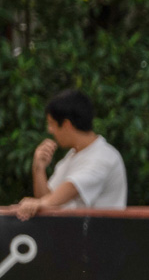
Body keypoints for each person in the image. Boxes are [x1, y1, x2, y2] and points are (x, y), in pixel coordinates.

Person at [15, 89, 127, 218]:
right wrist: (38, 169)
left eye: (51, 124)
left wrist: (37, 203)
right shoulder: (72, 156)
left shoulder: (105, 156)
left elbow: (70, 189)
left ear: (67, 125)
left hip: (100, 236)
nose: (49, 130)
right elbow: (48, 200)